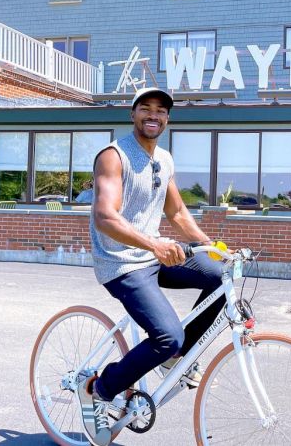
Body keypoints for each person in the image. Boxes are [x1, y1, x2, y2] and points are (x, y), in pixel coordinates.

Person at [77, 87, 223, 446]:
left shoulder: (165, 159)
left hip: (153, 255)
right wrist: (155, 244)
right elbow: (104, 217)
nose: (153, 115)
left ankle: (176, 358)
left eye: (160, 110)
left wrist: (211, 246)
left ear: (167, 119)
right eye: (145, 109)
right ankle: (101, 388)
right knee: (166, 336)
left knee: (218, 278)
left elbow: (176, 212)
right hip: (122, 263)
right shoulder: (113, 157)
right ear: (133, 114)